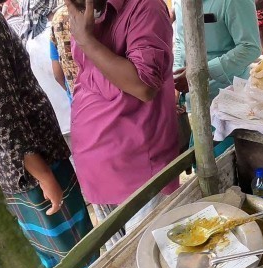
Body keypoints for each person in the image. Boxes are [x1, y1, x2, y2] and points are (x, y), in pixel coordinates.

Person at [65, 0, 180, 250]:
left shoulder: (145, 7)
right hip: (97, 168)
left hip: (137, 172)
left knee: (149, 261)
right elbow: (86, 74)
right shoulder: (87, 13)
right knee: (122, 261)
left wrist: (87, 41)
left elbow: (143, 85)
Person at [0, 6, 93, 268]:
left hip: (20, 169)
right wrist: (45, 176)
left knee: (55, 258)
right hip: (35, 165)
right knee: (77, 256)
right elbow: (3, 114)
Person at [172, 0, 261, 157]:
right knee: (200, 161)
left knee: (225, 164)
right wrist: (174, 77)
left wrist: (200, 72)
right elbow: (180, 42)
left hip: (228, 103)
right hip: (195, 101)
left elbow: (250, 48)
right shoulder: (180, 3)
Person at [49, 4, 76, 102]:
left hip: (78, 100)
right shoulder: (101, 9)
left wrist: (71, 93)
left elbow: (57, 75)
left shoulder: (58, 20)